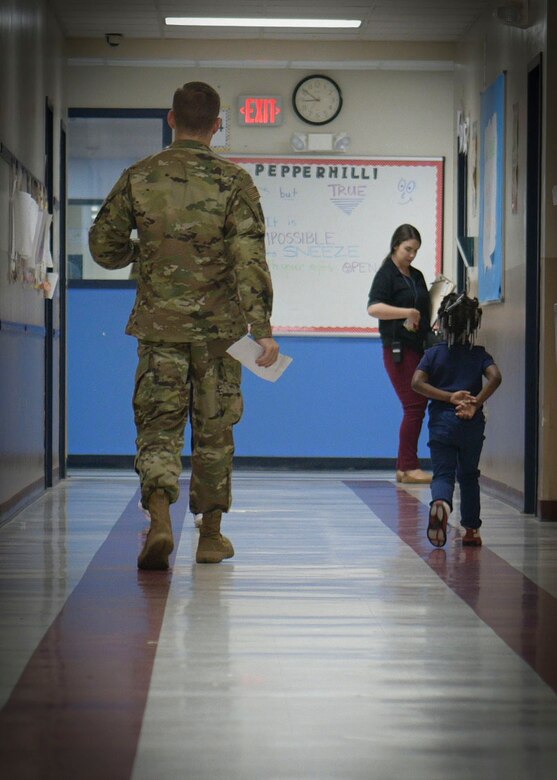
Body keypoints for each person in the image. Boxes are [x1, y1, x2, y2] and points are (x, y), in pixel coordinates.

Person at [89, 81, 279, 570]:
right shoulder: (235, 183)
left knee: (158, 428)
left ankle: (159, 519)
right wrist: (262, 329)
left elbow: (102, 248)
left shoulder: (139, 176)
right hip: (222, 335)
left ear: (171, 119)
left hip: (159, 329)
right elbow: (249, 260)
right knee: (214, 432)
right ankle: (211, 536)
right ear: (217, 126)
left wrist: (145, 253)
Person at [411, 292, 502, 547]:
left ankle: (440, 504)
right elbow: (495, 377)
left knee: (443, 475)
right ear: (473, 325)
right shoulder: (479, 354)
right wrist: (476, 402)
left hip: (442, 423)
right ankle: (471, 530)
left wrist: (449, 397)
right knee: (469, 475)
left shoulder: (433, 354)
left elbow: (416, 383)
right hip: (471, 424)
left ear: (442, 321)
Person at [367, 224, 432, 484]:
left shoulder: (416, 275)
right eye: (408, 249)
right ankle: (408, 466)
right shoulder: (386, 274)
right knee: (414, 405)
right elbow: (374, 308)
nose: (412, 255)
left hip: (417, 346)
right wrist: (406, 312)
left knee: (418, 405)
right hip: (397, 349)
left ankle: (405, 466)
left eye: (415, 250)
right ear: (396, 246)